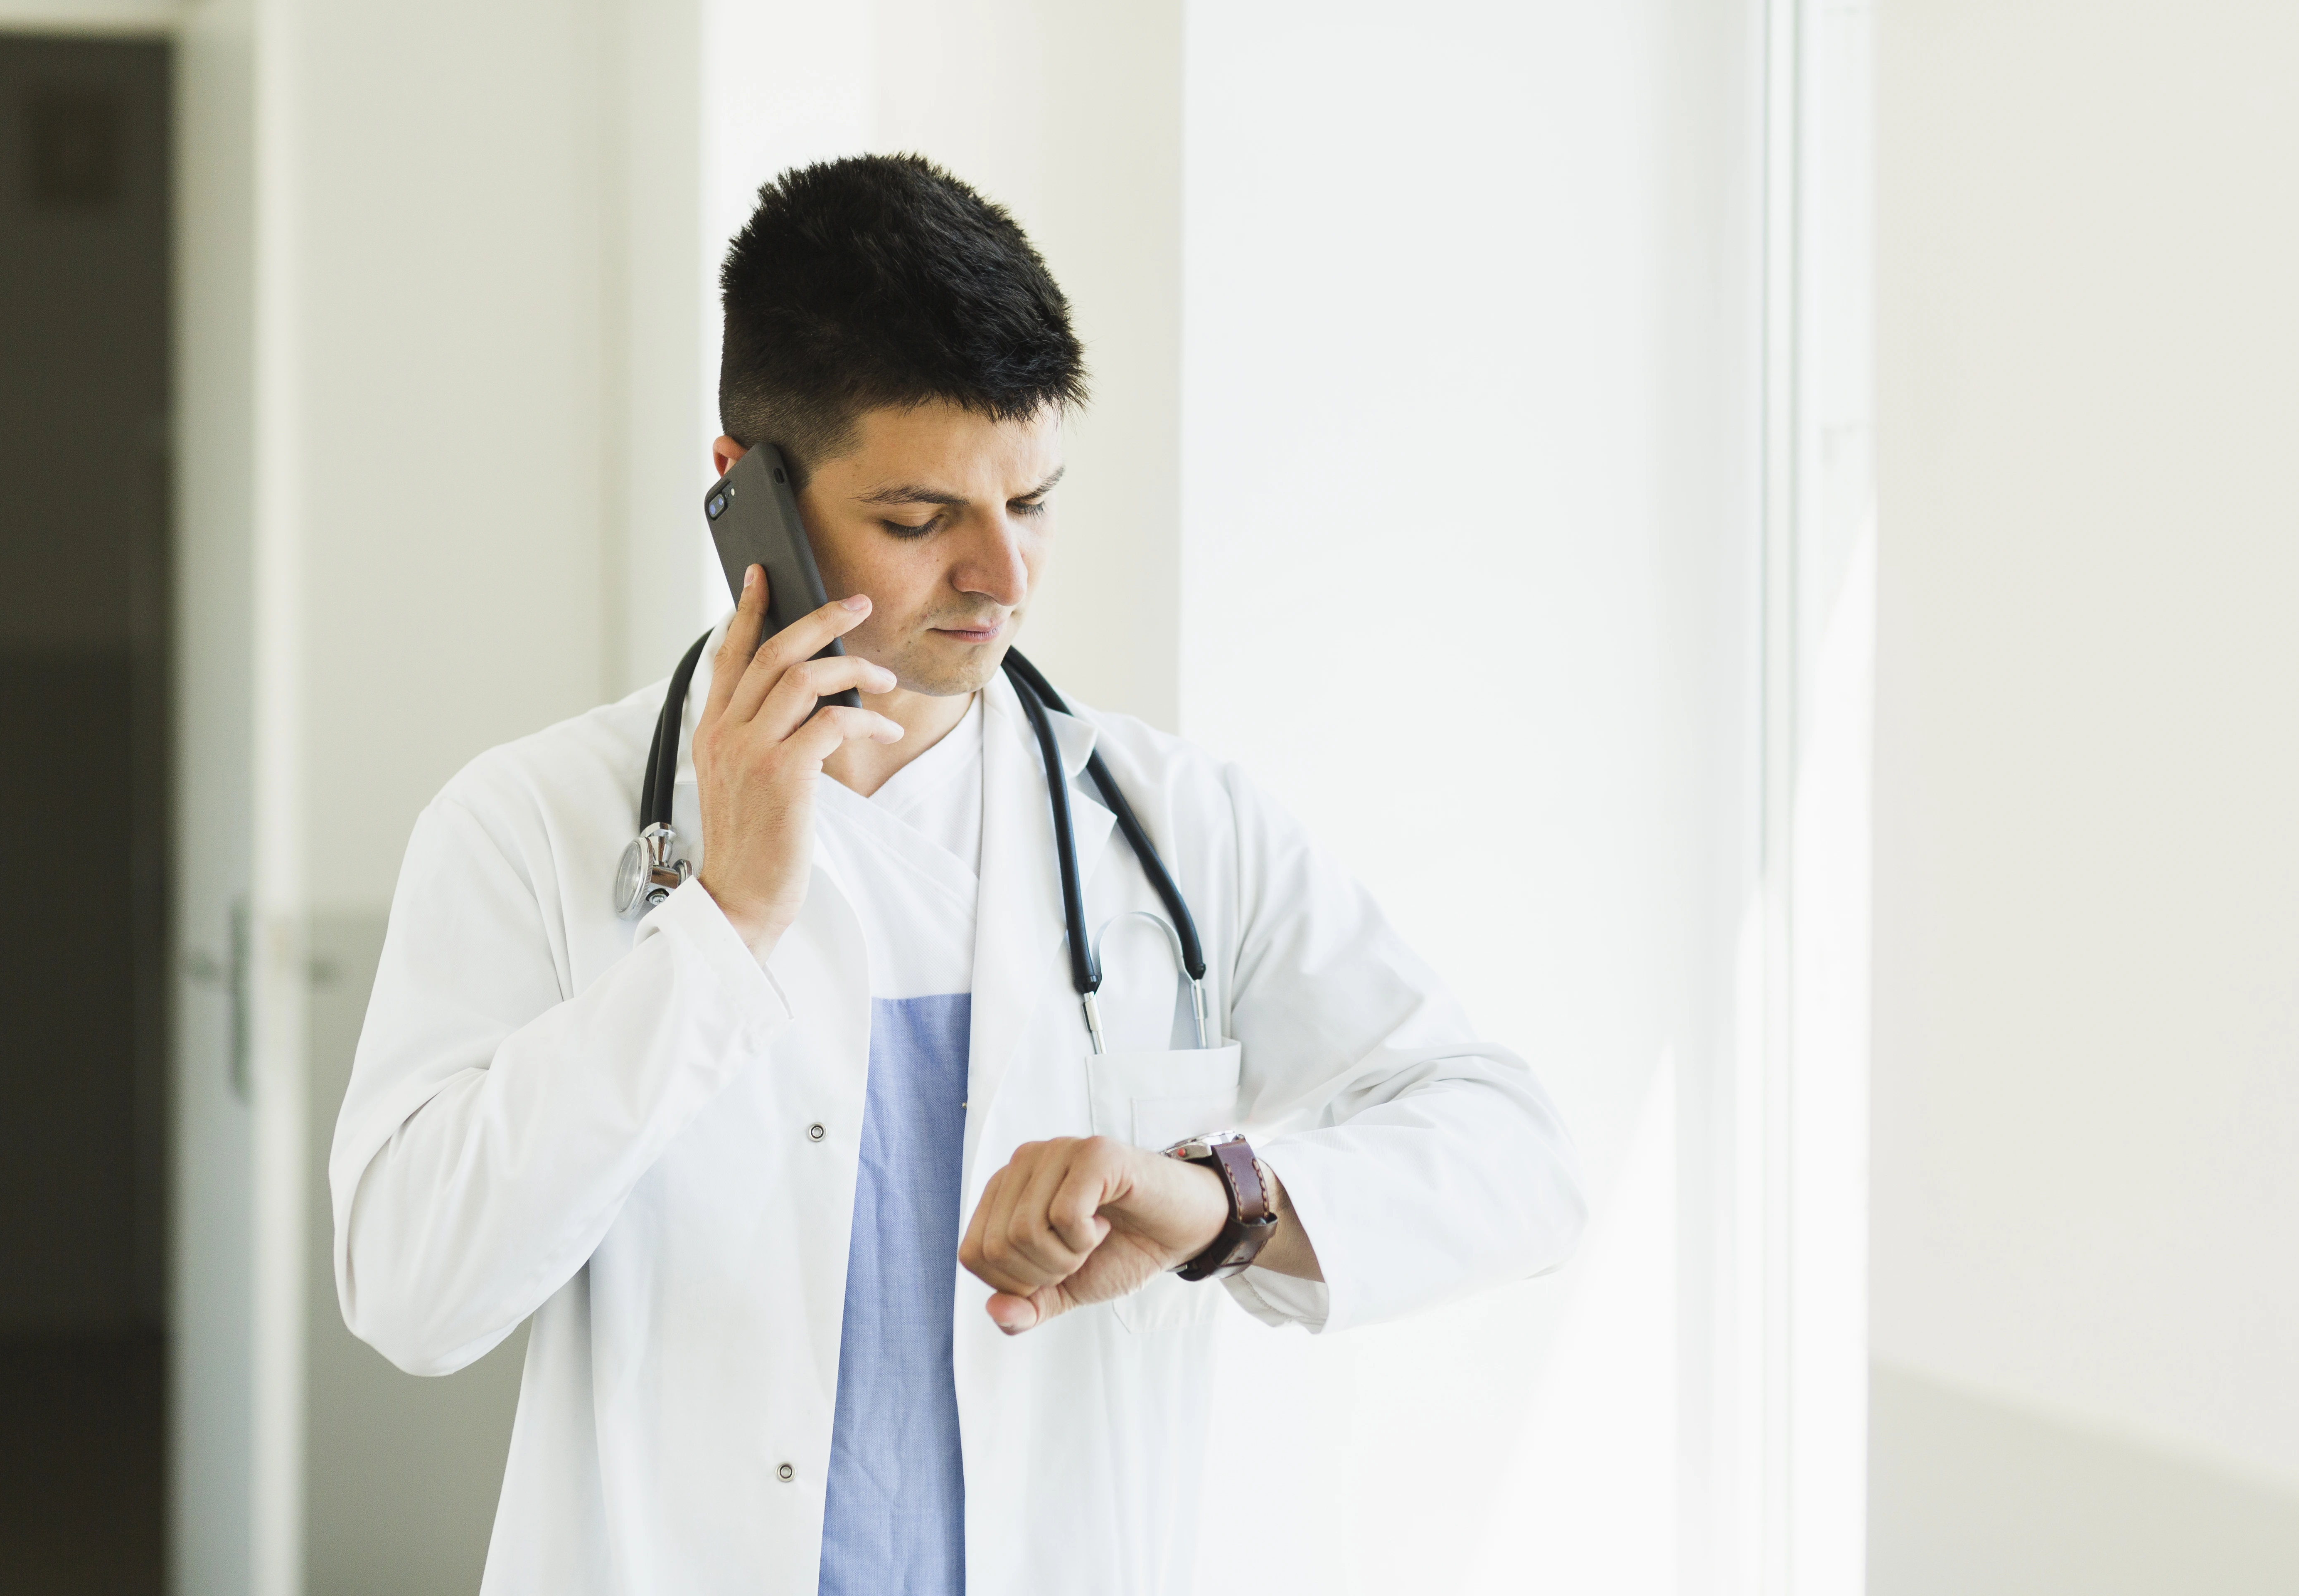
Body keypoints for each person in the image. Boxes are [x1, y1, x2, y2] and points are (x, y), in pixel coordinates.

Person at [330, 153, 1585, 1596]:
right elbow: (413, 1293)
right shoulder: (535, 826)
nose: (1003, 578)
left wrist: (1218, 1203)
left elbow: (1516, 1160)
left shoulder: (1179, 830)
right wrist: (723, 929)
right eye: (922, 521)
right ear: (749, 499)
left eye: (1034, 501)